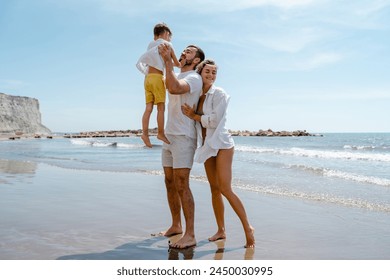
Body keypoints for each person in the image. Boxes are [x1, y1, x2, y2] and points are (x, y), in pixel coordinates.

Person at [181, 59, 255, 248]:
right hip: (207, 145)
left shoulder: (219, 93)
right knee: (214, 189)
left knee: (225, 188)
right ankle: (221, 230)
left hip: (221, 144)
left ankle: (248, 228)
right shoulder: (197, 95)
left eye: (214, 72)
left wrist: (194, 116)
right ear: (200, 72)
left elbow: (214, 120)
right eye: (208, 71)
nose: (211, 75)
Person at [158, 43, 205, 249]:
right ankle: (176, 225)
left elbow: (174, 88)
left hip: (184, 136)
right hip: (170, 135)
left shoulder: (194, 78)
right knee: (169, 182)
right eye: (184, 49)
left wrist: (169, 61)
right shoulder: (177, 72)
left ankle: (191, 234)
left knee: (182, 183)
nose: (184, 51)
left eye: (189, 51)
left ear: (196, 61)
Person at [136, 23, 182, 148]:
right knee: (161, 108)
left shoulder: (150, 44)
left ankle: (144, 134)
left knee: (148, 109)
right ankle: (160, 133)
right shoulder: (168, 45)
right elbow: (176, 63)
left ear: (155, 35)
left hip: (147, 79)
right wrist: (184, 65)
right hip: (157, 78)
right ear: (166, 34)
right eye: (169, 36)